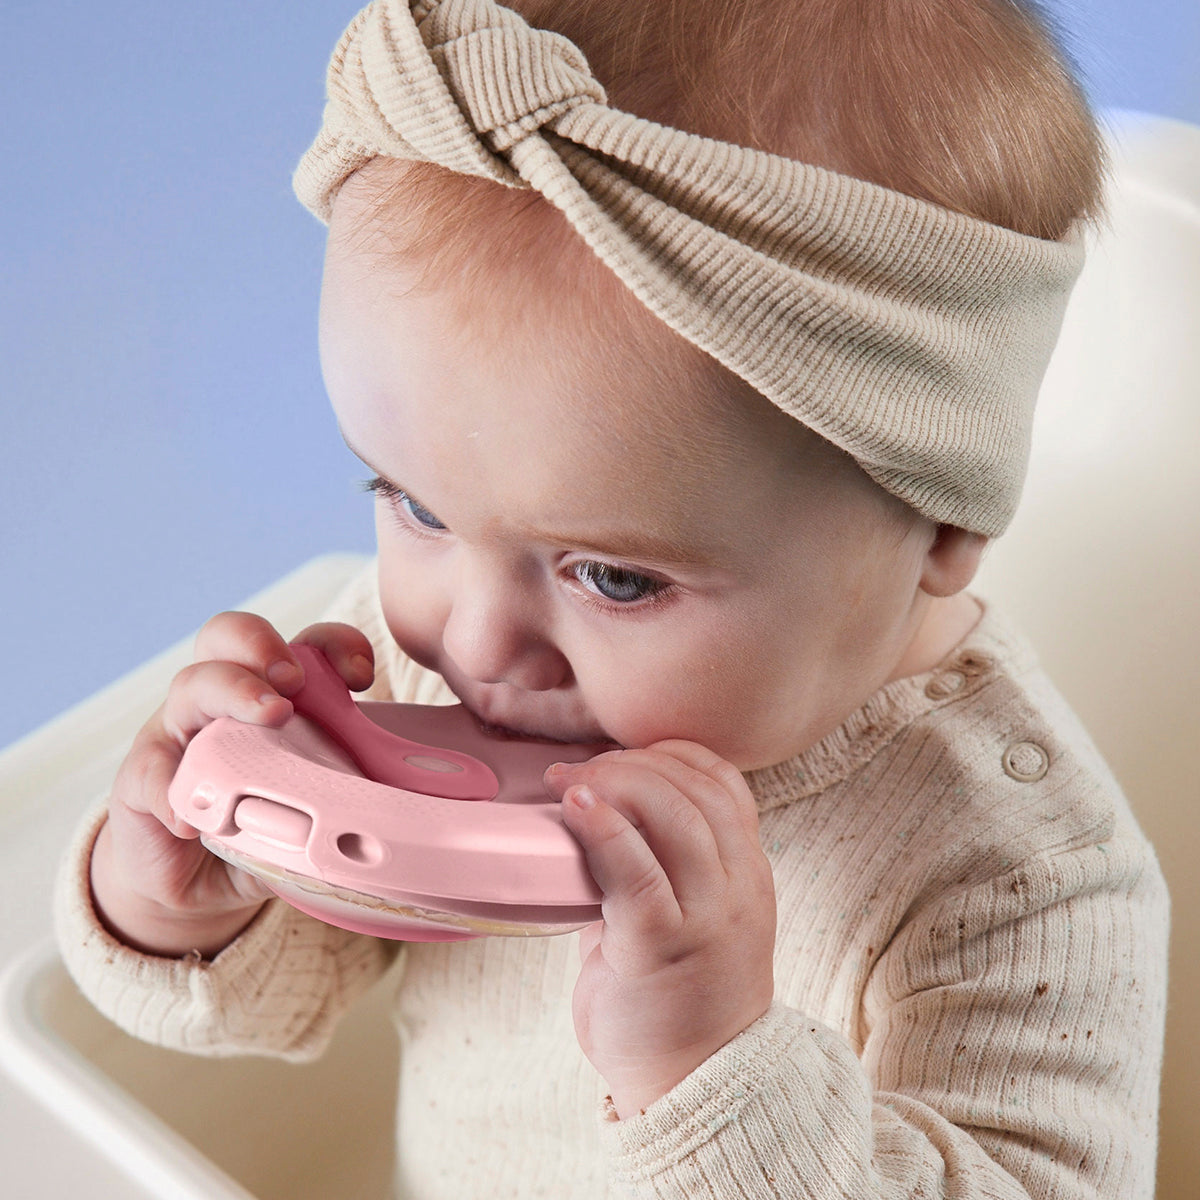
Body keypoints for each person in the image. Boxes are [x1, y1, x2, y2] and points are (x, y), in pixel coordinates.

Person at [55, 2, 1169, 1197]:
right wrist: (192, 898)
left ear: (940, 523)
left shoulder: (1024, 883)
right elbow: (276, 1006)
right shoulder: (424, 668)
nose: (475, 641)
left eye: (616, 578)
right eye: (416, 505)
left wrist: (712, 1069)